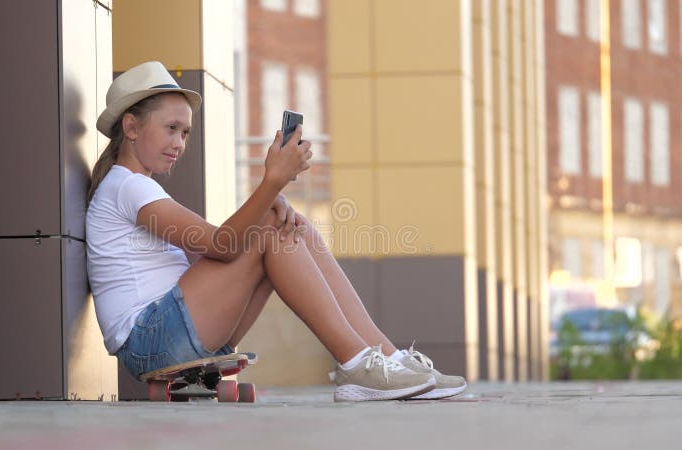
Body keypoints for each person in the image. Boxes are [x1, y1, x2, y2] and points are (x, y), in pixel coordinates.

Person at [86, 61, 466, 402]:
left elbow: (211, 253)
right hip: (150, 339)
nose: (179, 143)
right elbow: (224, 247)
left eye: (185, 133)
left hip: (167, 334)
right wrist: (273, 183)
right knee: (271, 229)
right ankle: (355, 363)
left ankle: (386, 358)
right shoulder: (128, 186)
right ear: (131, 127)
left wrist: (272, 201)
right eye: (171, 129)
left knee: (293, 228)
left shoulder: (136, 188)